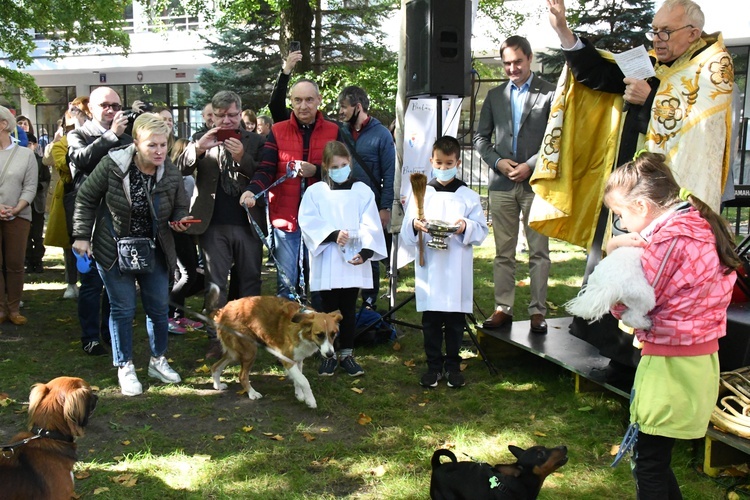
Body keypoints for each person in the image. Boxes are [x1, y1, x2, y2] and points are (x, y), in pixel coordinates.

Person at [539, 0, 734, 385]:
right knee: (618, 259)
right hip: (632, 194)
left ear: (692, 33)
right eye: (654, 30)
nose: (657, 39)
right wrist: (564, 32)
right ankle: (616, 353)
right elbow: (599, 76)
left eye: (665, 32)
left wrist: (651, 102)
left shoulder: (714, 67)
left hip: (672, 204)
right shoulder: (654, 63)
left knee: (654, 273)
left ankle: (644, 359)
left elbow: (698, 130)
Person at [602, 152, 739, 498]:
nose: (620, 223)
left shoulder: (669, 239)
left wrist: (614, 251)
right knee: (655, 459)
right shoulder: (697, 223)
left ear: (643, 207)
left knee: (647, 461)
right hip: (692, 355)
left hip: (671, 361)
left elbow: (634, 300)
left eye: (619, 215)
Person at [72, 113, 192, 397]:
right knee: (123, 308)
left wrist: (180, 220)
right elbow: (86, 198)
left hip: (155, 250)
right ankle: (124, 365)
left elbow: (179, 207)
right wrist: (80, 236)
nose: (159, 151)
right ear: (136, 143)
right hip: (113, 248)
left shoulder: (171, 172)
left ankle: (157, 360)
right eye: (152, 145)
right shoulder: (113, 164)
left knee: (159, 308)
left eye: (163, 144)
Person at [473, 35, 555, 333]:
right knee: (503, 252)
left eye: (517, 62)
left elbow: (555, 139)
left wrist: (530, 165)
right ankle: (502, 308)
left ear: (530, 58)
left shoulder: (549, 93)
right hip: (501, 185)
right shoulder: (494, 96)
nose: (512, 68)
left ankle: (537, 312)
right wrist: (497, 162)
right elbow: (480, 138)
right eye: (507, 63)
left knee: (539, 252)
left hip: (536, 185)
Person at [175, 90, 265, 358]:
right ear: (212, 115)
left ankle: (248, 336)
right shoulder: (200, 139)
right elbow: (177, 168)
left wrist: (241, 159)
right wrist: (199, 148)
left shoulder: (256, 140)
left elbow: (264, 172)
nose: (227, 121)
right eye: (221, 116)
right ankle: (216, 338)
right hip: (213, 224)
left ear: (240, 113)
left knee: (250, 281)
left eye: (233, 115)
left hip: (248, 223)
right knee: (215, 284)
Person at [240, 79, 341, 301]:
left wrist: (315, 171)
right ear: (291, 102)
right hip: (286, 219)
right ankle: (285, 333)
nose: (303, 106)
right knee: (286, 284)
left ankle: (319, 331)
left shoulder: (335, 130)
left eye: (308, 100)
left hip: (321, 220)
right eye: (297, 100)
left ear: (319, 100)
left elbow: (344, 173)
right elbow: (266, 170)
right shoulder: (277, 131)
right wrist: (252, 191)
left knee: (319, 284)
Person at [401, 136, 488, 388]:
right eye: (438, 162)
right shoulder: (422, 192)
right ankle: (433, 365)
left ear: (457, 162)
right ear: (431, 161)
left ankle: (453, 365)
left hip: (455, 266)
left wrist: (464, 226)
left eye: (448, 162)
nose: (443, 167)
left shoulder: (467, 195)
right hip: (430, 266)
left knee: (454, 321)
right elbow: (408, 230)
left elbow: (481, 230)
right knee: (431, 320)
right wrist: (415, 225)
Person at [299, 141, 387, 376]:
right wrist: (333, 234)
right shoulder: (316, 191)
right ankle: (327, 354)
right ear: (326, 167)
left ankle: (347, 354)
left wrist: (366, 251)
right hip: (327, 257)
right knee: (326, 311)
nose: (341, 169)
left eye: (345, 165)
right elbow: (307, 221)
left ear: (351, 164)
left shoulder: (362, 191)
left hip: (352, 260)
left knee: (347, 310)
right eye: (335, 166)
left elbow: (371, 223)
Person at [68, 87, 133, 356]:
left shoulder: (127, 138)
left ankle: (110, 332)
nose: (111, 110)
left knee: (115, 281)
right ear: (91, 109)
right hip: (91, 220)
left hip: (118, 218)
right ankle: (90, 336)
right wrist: (111, 136)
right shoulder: (77, 134)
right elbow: (81, 162)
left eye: (116, 106)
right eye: (105, 105)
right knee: (92, 282)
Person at [337, 85, 395, 309]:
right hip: (343, 203)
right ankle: (344, 296)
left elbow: (390, 174)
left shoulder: (381, 135)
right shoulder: (339, 132)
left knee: (368, 251)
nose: (340, 112)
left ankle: (369, 302)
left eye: (344, 107)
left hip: (370, 205)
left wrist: (385, 207)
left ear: (358, 107)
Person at [43, 99, 90, 299]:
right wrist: (75, 143)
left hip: (91, 195)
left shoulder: (94, 138)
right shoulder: (60, 144)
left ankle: (90, 281)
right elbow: (65, 168)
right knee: (70, 241)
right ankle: (71, 282)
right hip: (69, 197)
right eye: (70, 125)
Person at [0, 106, 38, 325]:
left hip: (19, 215)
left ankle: (14, 308)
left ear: (4, 125)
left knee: (15, 262)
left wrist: (16, 208)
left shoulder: (25, 154)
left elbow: (30, 187)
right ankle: (1, 309)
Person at [168, 138, 204, 333]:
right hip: (180, 229)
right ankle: (169, 315)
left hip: (182, 228)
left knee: (179, 275)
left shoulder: (174, 173)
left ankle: (177, 316)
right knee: (188, 274)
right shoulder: (187, 179)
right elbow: (188, 205)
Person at [24, 134, 50, 273]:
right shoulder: (19, 160)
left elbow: (47, 179)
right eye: (26, 143)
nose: (28, 146)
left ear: (35, 145)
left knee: (37, 235)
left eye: (30, 144)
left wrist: (40, 186)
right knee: (26, 235)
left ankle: (38, 260)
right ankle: (28, 260)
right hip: (23, 204)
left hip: (37, 203)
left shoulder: (41, 161)